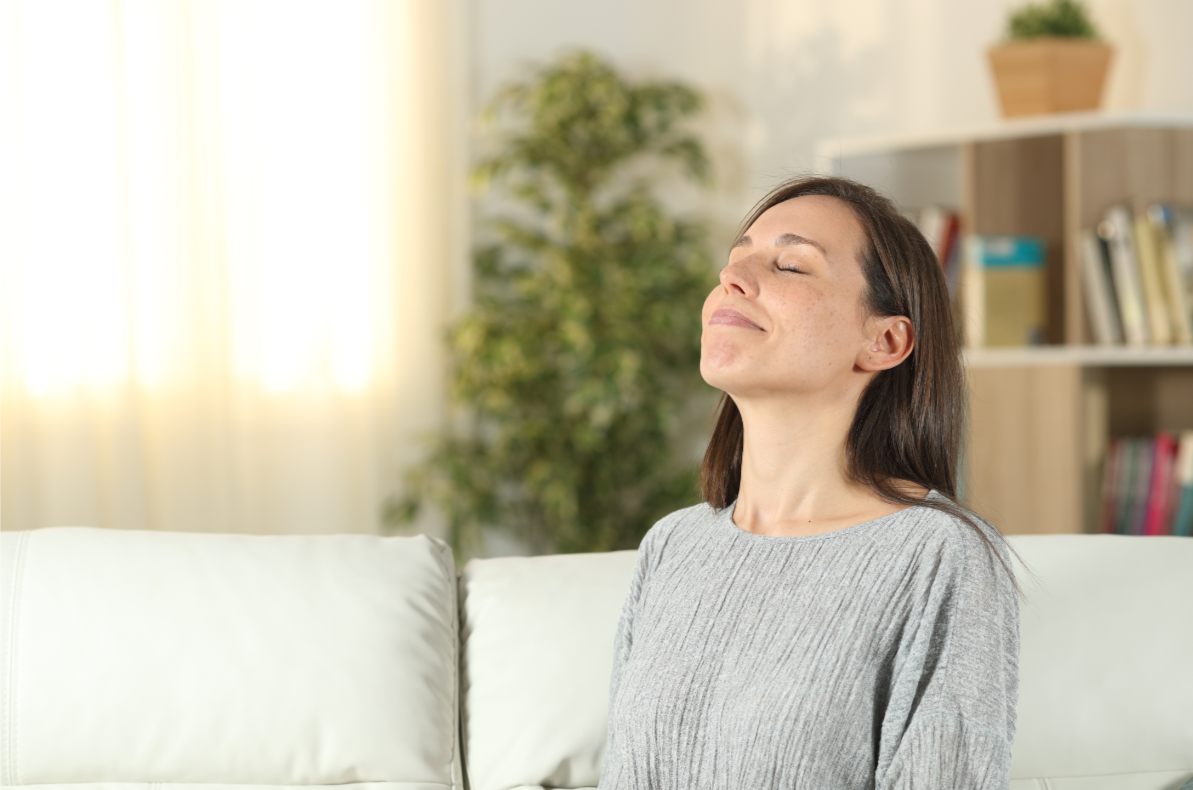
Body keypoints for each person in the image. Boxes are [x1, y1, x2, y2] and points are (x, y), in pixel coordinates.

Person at [597, 176, 1024, 789]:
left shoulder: (938, 555)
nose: (732, 278)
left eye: (791, 265)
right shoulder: (673, 546)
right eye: (735, 258)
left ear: (884, 341)